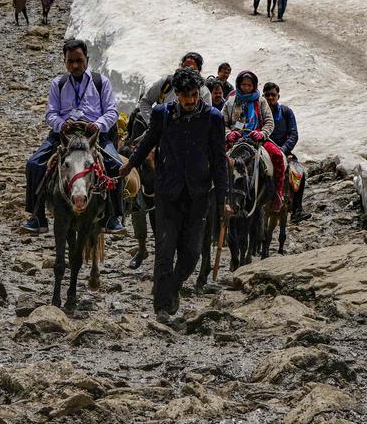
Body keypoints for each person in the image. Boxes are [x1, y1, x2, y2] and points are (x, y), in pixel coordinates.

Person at [118, 67, 228, 319]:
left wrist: (223, 199)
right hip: (167, 191)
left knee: (192, 252)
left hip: (199, 193)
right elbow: (148, 141)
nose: (190, 100)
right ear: (176, 95)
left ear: (199, 93)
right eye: (185, 96)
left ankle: (170, 287)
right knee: (165, 250)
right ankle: (162, 309)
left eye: (194, 95)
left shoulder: (212, 118)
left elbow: (219, 159)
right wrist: (131, 164)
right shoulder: (162, 114)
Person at [23, 39, 124, 234]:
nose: (75, 65)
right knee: (34, 164)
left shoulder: (101, 82)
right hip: (64, 135)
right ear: (65, 61)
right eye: (70, 61)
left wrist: (98, 124)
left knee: (116, 166)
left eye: (79, 60)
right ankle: (38, 217)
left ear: (87, 59)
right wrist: (61, 124)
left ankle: (113, 216)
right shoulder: (58, 84)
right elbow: (51, 113)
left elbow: (111, 112)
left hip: (94, 135)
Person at [222, 71, 287, 211]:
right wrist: (228, 134)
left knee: (277, 155)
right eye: (243, 84)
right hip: (235, 140)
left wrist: (262, 134)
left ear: (254, 86)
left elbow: (269, 122)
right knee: (216, 158)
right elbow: (222, 123)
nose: (246, 87)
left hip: (257, 139)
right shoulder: (230, 101)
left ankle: (277, 193)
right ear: (238, 84)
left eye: (249, 85)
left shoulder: (261, 101)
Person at [263, 82, 309, 222]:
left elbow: (294, 134)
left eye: (273, 95)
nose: (270, 97)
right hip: (263, 149)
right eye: (268, 95)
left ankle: (297, 210)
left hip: (283, 150)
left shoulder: (286, 112)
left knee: (299, 173)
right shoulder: (259, 112)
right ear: (263, 96)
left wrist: (283, 150)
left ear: (278, 96)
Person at [138, 52, 206, 120]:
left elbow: (206, 118)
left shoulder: (204, 92)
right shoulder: (167, 83)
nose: (187, 71)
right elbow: (145, 102)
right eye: (185, 67)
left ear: (198, 72)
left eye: (192, 69)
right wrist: (154, 124)